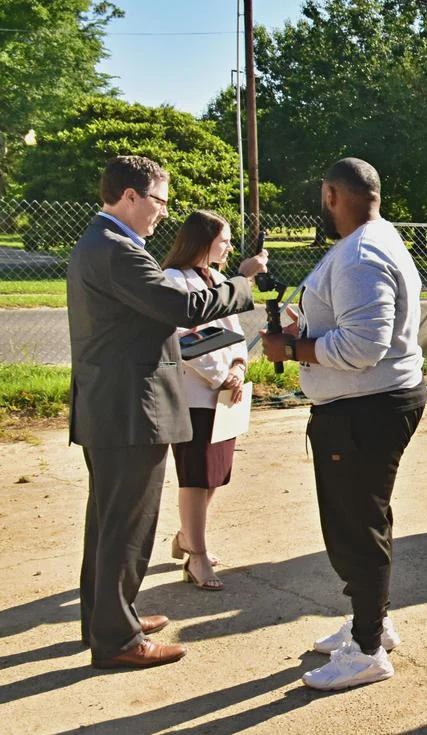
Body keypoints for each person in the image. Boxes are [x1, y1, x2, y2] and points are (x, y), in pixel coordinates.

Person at [69, 155, 267, 669]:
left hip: (113, 406)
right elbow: (183, 308)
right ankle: (118, 639)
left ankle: (108, 616)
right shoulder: (117, 251)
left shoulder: (103, 244)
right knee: (126, 526)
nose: (162, 212)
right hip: (130, 408)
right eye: (158, 200)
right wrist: (242, 282)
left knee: (109, 522)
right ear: (129, 196)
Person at [262, 158, 426, 690]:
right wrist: (305, 327)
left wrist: (292, 346)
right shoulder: (375, 239)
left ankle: (367, 650)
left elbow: (363, 345)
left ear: (332, 193)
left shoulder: (360, 254)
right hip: (367, 404)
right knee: (362, 520)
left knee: (356, 528)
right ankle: (372, 620)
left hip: (365, 408)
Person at [160, 211, 249, 592]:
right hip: (195, 395)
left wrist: (241, 367)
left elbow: (238, 334)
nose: (229, 245)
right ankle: (196, 557)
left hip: (225, 398)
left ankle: (186, 537)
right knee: (195, 477)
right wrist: (220, 375)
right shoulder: (174, 280)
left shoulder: (219, 279)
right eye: (224, 238)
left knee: (214, 474)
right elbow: (182, 340)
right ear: (202, 240)